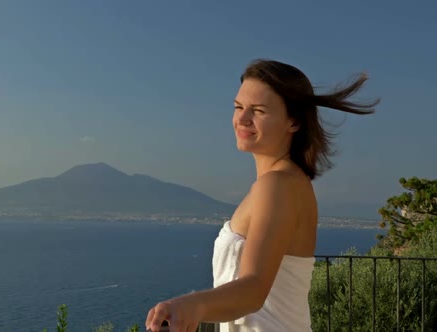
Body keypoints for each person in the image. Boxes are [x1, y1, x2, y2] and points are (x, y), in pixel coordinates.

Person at [145, 59, 379, 332]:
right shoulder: (283, 183)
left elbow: (254, 288)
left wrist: (191, 305)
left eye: (258, 110)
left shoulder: (278, 185)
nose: (242, 119)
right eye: (238, 107)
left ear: (293, 121)